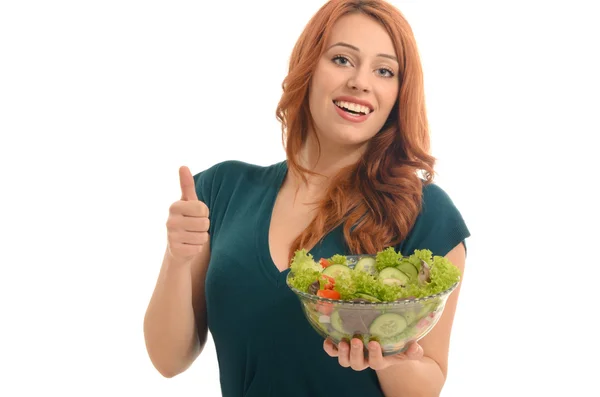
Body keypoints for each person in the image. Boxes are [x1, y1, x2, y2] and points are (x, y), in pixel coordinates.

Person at [143, 0, 470, 396]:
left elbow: (428, 383)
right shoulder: (221, 190)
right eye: (342, 59)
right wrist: (178, 258)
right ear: (309, 66)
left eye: (384, 70)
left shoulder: (426, 213)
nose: (360, 82)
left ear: (399, 93)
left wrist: (389, 358)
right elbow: (168, 360)